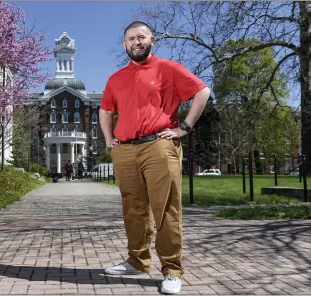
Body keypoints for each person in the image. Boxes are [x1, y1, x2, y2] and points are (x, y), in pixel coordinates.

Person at [99, 21, 210, 295]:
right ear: (124, 44)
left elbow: (202, 92)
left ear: (152, 40)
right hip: (125, 149)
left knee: (165, 207)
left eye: (141, 37)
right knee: (133, 208)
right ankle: (137, 261)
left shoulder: (168, 69)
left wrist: (184, 127)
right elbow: (105, 110)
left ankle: (172, 270)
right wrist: (108, 139)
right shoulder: (116, 78)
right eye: (130, 39)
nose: (136, 42)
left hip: (158, 145)